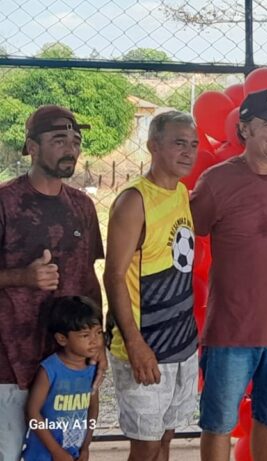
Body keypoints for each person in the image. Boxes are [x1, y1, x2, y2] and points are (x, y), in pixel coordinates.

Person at [190, 89, 267, 461]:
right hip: (231, 330)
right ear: (244, 129)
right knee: (219, 425)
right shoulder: (216, 181)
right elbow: (181, 236)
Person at [0, 105, 105, 461]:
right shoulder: (6, 202)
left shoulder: (82, 206)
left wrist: (97, 342)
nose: (71, 148)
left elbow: (89, 280)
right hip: (10, 363)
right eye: (59, 140)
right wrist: (22, 277)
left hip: (66, 363)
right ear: (32, 146)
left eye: (75, 141)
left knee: (62, 450)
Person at [104, 110, 199, 460]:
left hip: (181, 344)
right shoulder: (134, 201)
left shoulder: (181, 192)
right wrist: (135, 343)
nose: (188, 152)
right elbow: (113, 275)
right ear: (153, 146)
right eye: (179, 143)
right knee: (145, 447)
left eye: (194, 144)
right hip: (145, 346)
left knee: (165, 439)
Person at [22, 296, 102, 461]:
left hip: (74, 452)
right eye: (85, 335)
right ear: (62, 339)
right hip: (43, 454)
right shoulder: (50, 369)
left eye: (99, 332)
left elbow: (93, 410)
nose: (94, 341)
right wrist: (56, 451)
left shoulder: (93, 369)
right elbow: (32, 412)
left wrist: (85, 446)